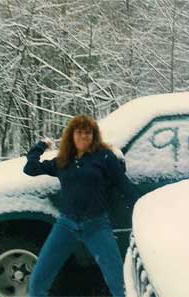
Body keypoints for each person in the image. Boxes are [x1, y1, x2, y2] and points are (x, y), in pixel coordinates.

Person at [23, 115, 137, 297]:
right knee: (38, 280)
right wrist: (41, 146)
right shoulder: (63, 160)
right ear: (71, 135)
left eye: (88, 133)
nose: (84, 136)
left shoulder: (105, 157)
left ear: (94, 136)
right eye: (79, 132)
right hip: (65, 226)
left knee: (118, 283)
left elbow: (124, 186)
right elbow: (30, 169)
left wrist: (140, 211)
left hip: (97, 226)